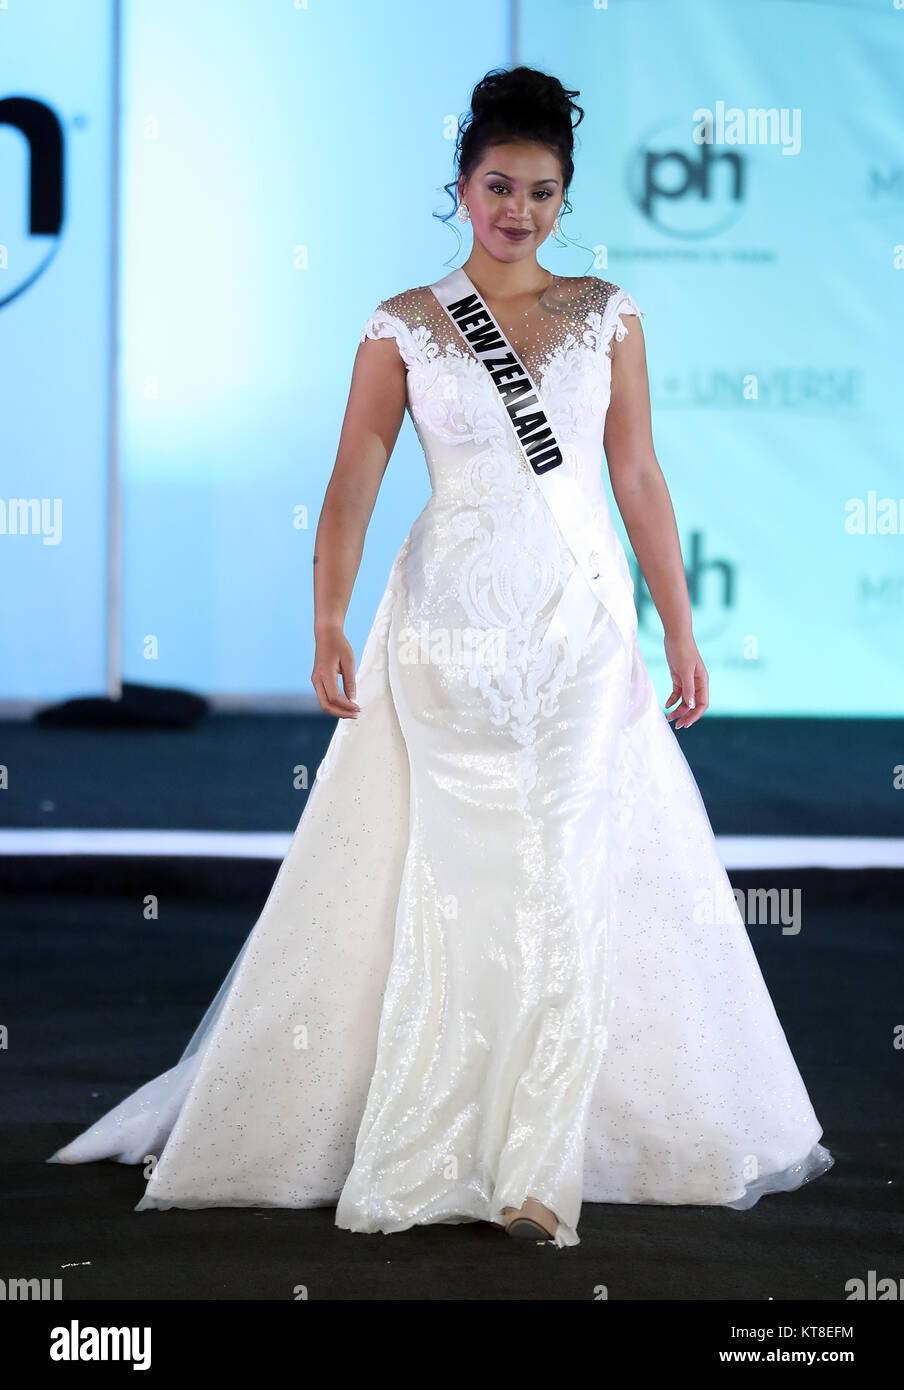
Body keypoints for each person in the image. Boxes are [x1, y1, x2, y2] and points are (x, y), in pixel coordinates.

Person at [48, 65, 833, 1247]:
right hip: (444, 629)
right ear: (460, 187)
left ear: (566, 201)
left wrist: (677, 624)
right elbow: (355, 471)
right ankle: (428, 1134)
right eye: (499, 185)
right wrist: (324, 618)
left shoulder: (606, 313)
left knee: (566, 864)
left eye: (543, 191)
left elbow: (636, 476)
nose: (519, 209)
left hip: (573, 622)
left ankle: (535, 1166)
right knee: (459, 874)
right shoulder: (404, 323)